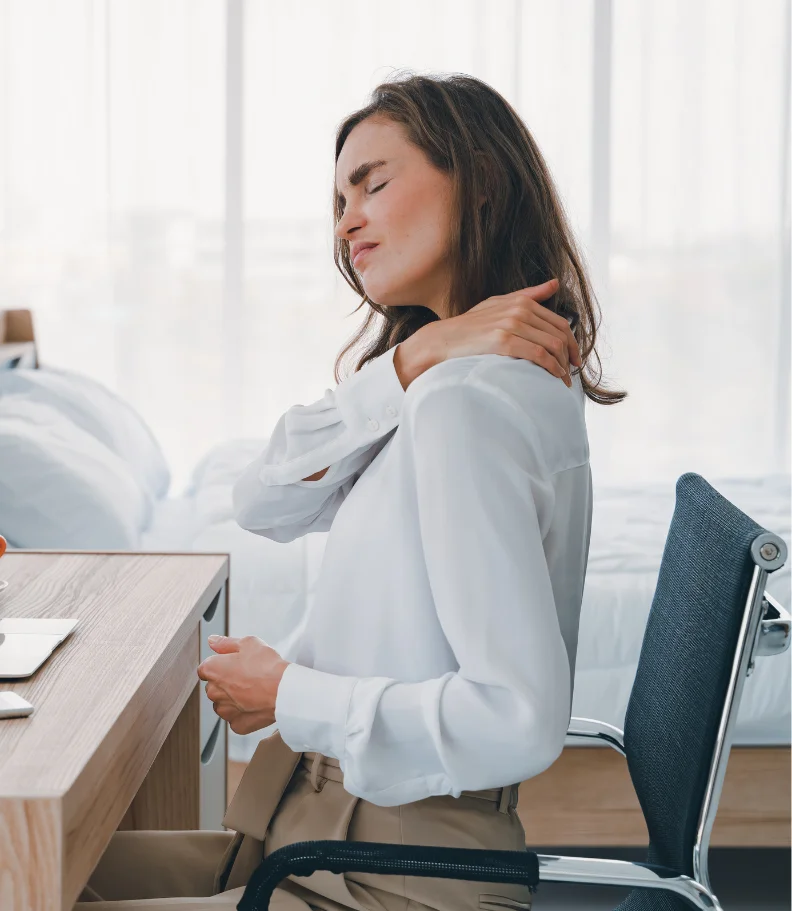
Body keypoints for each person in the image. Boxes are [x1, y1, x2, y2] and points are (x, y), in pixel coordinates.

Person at [74, 70, 626, 910]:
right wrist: (416, 353)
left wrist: (287, 692)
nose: (346, 222)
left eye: (373, 185)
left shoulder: (466, 404)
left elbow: (518, 717)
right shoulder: (438, 383)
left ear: (479, 181)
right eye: (339, 200)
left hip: (392, 876)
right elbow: (264, 500)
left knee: (32, 873)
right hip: (313, 834)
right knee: (30, 869)